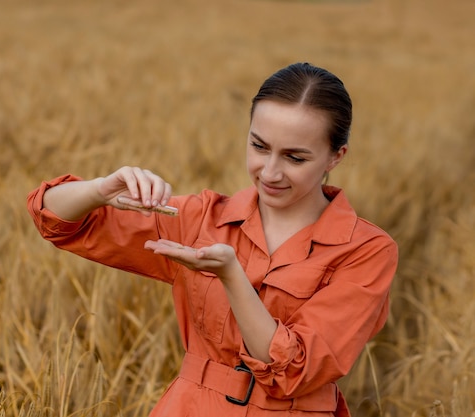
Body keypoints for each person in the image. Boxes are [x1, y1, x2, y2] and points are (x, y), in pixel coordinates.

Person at [27, 62, 398, 417]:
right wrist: (100, 190)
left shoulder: (366, 251)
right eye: (259, 146)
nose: (270, 172)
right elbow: (55, 220)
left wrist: (231, 275)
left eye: (295, 158)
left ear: (336, 156)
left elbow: (293, 371)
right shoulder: (202, 219)